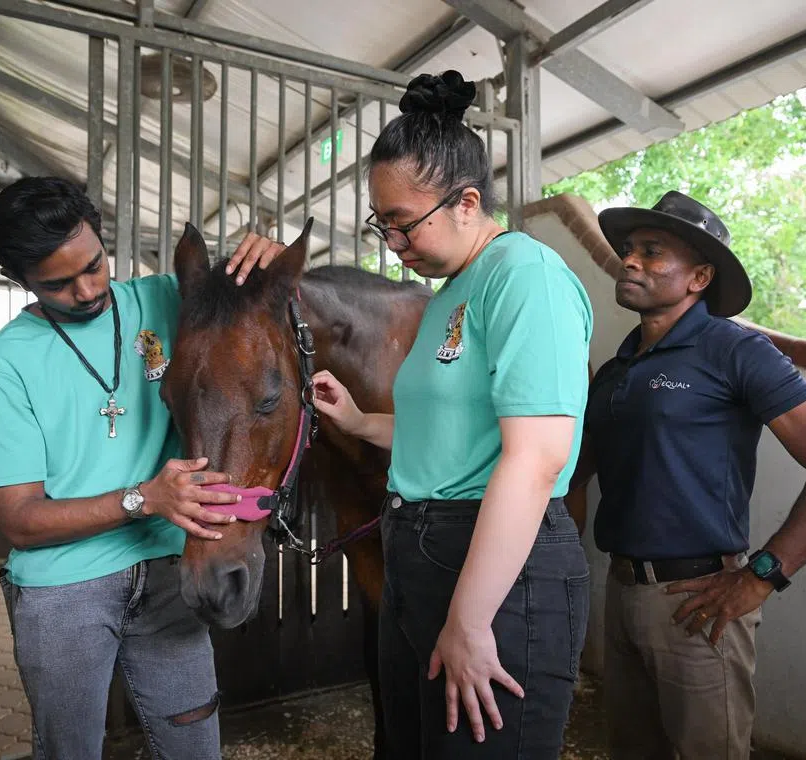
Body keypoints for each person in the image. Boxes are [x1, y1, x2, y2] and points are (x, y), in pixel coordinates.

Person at [311, 70, 594, 759]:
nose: (393, 245)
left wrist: (470, 620)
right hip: (420, 551)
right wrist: (357, 423)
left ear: (467, 202)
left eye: (404, 224)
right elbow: (450, 432)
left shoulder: (525, 275)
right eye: (383, 225)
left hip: (498, 567)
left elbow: (535, 458)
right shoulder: (449, 292)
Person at [0, 176, 283, 759]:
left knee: (196, 747)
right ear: (20, 280)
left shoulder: (166, 299)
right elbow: (20, 520)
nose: (87, 290)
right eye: (58, 284)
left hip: (167, 574)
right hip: (64, 592)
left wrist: (268, 255)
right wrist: (144, 499)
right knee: (71, 751)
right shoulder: (3, 366)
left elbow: (254, 315)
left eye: (95, 265)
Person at [571, 190, 806, 758]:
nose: (631, 260)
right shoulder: (616, 370)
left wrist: (761, 576)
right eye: (630, 249)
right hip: (620, 590)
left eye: (653, 251)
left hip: (698, 601)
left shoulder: (736, 352)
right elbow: (574, 474)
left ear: (700, 276)